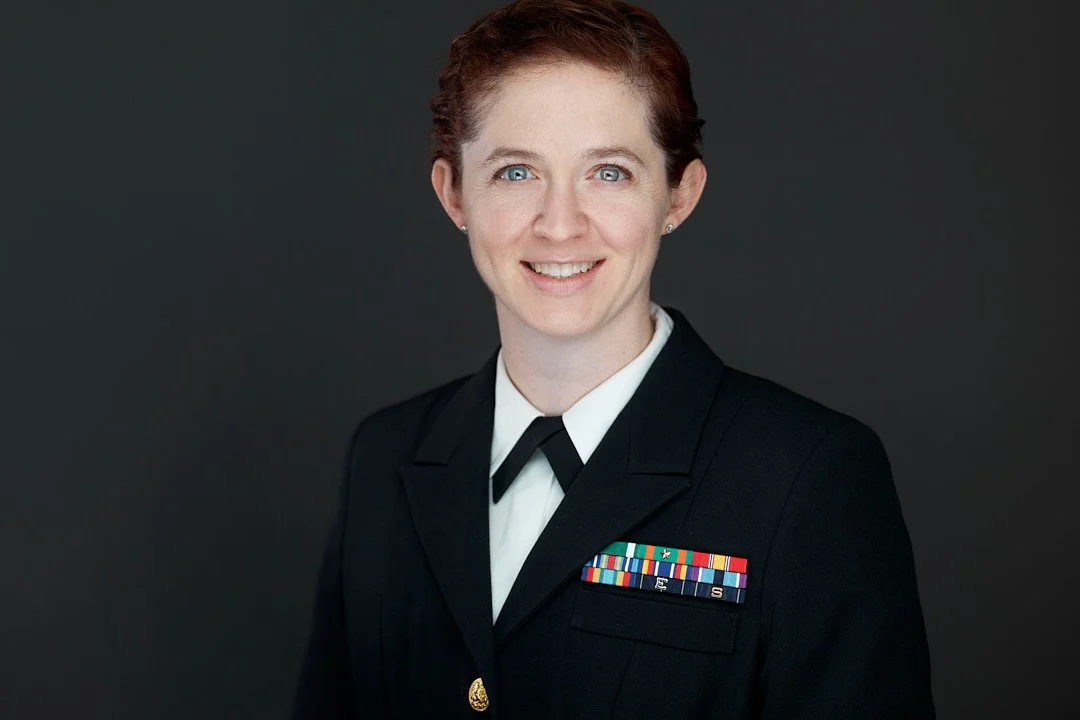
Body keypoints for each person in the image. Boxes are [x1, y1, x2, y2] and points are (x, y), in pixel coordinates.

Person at [292, 0, 935, 717]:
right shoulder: (384, 456)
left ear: (678, 195)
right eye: (515, 173)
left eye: (609, 173)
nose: (560, 223)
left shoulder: (806, 478)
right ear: (453, 193)